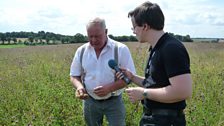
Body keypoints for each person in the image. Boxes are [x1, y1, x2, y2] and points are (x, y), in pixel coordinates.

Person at [116, 1, 192, 126]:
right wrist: (132, 77)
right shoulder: (157, 47)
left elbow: (183, 91)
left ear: (145, 26)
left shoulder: (171, 48)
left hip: (167, 120)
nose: (133, 31)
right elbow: (156, 84)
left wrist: (143, 93)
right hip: (155, 118)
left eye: (134, 27)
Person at [70, 17, 135, 126]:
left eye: (97, 36)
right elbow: (74, 75)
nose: (94, 40)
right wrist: (79, 87)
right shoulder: (81, 51)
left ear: (106, 32)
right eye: (90, 36)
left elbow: (129, 78)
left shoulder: (120, 49)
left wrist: (109, 88)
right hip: (90, 102)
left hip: (114, 101)